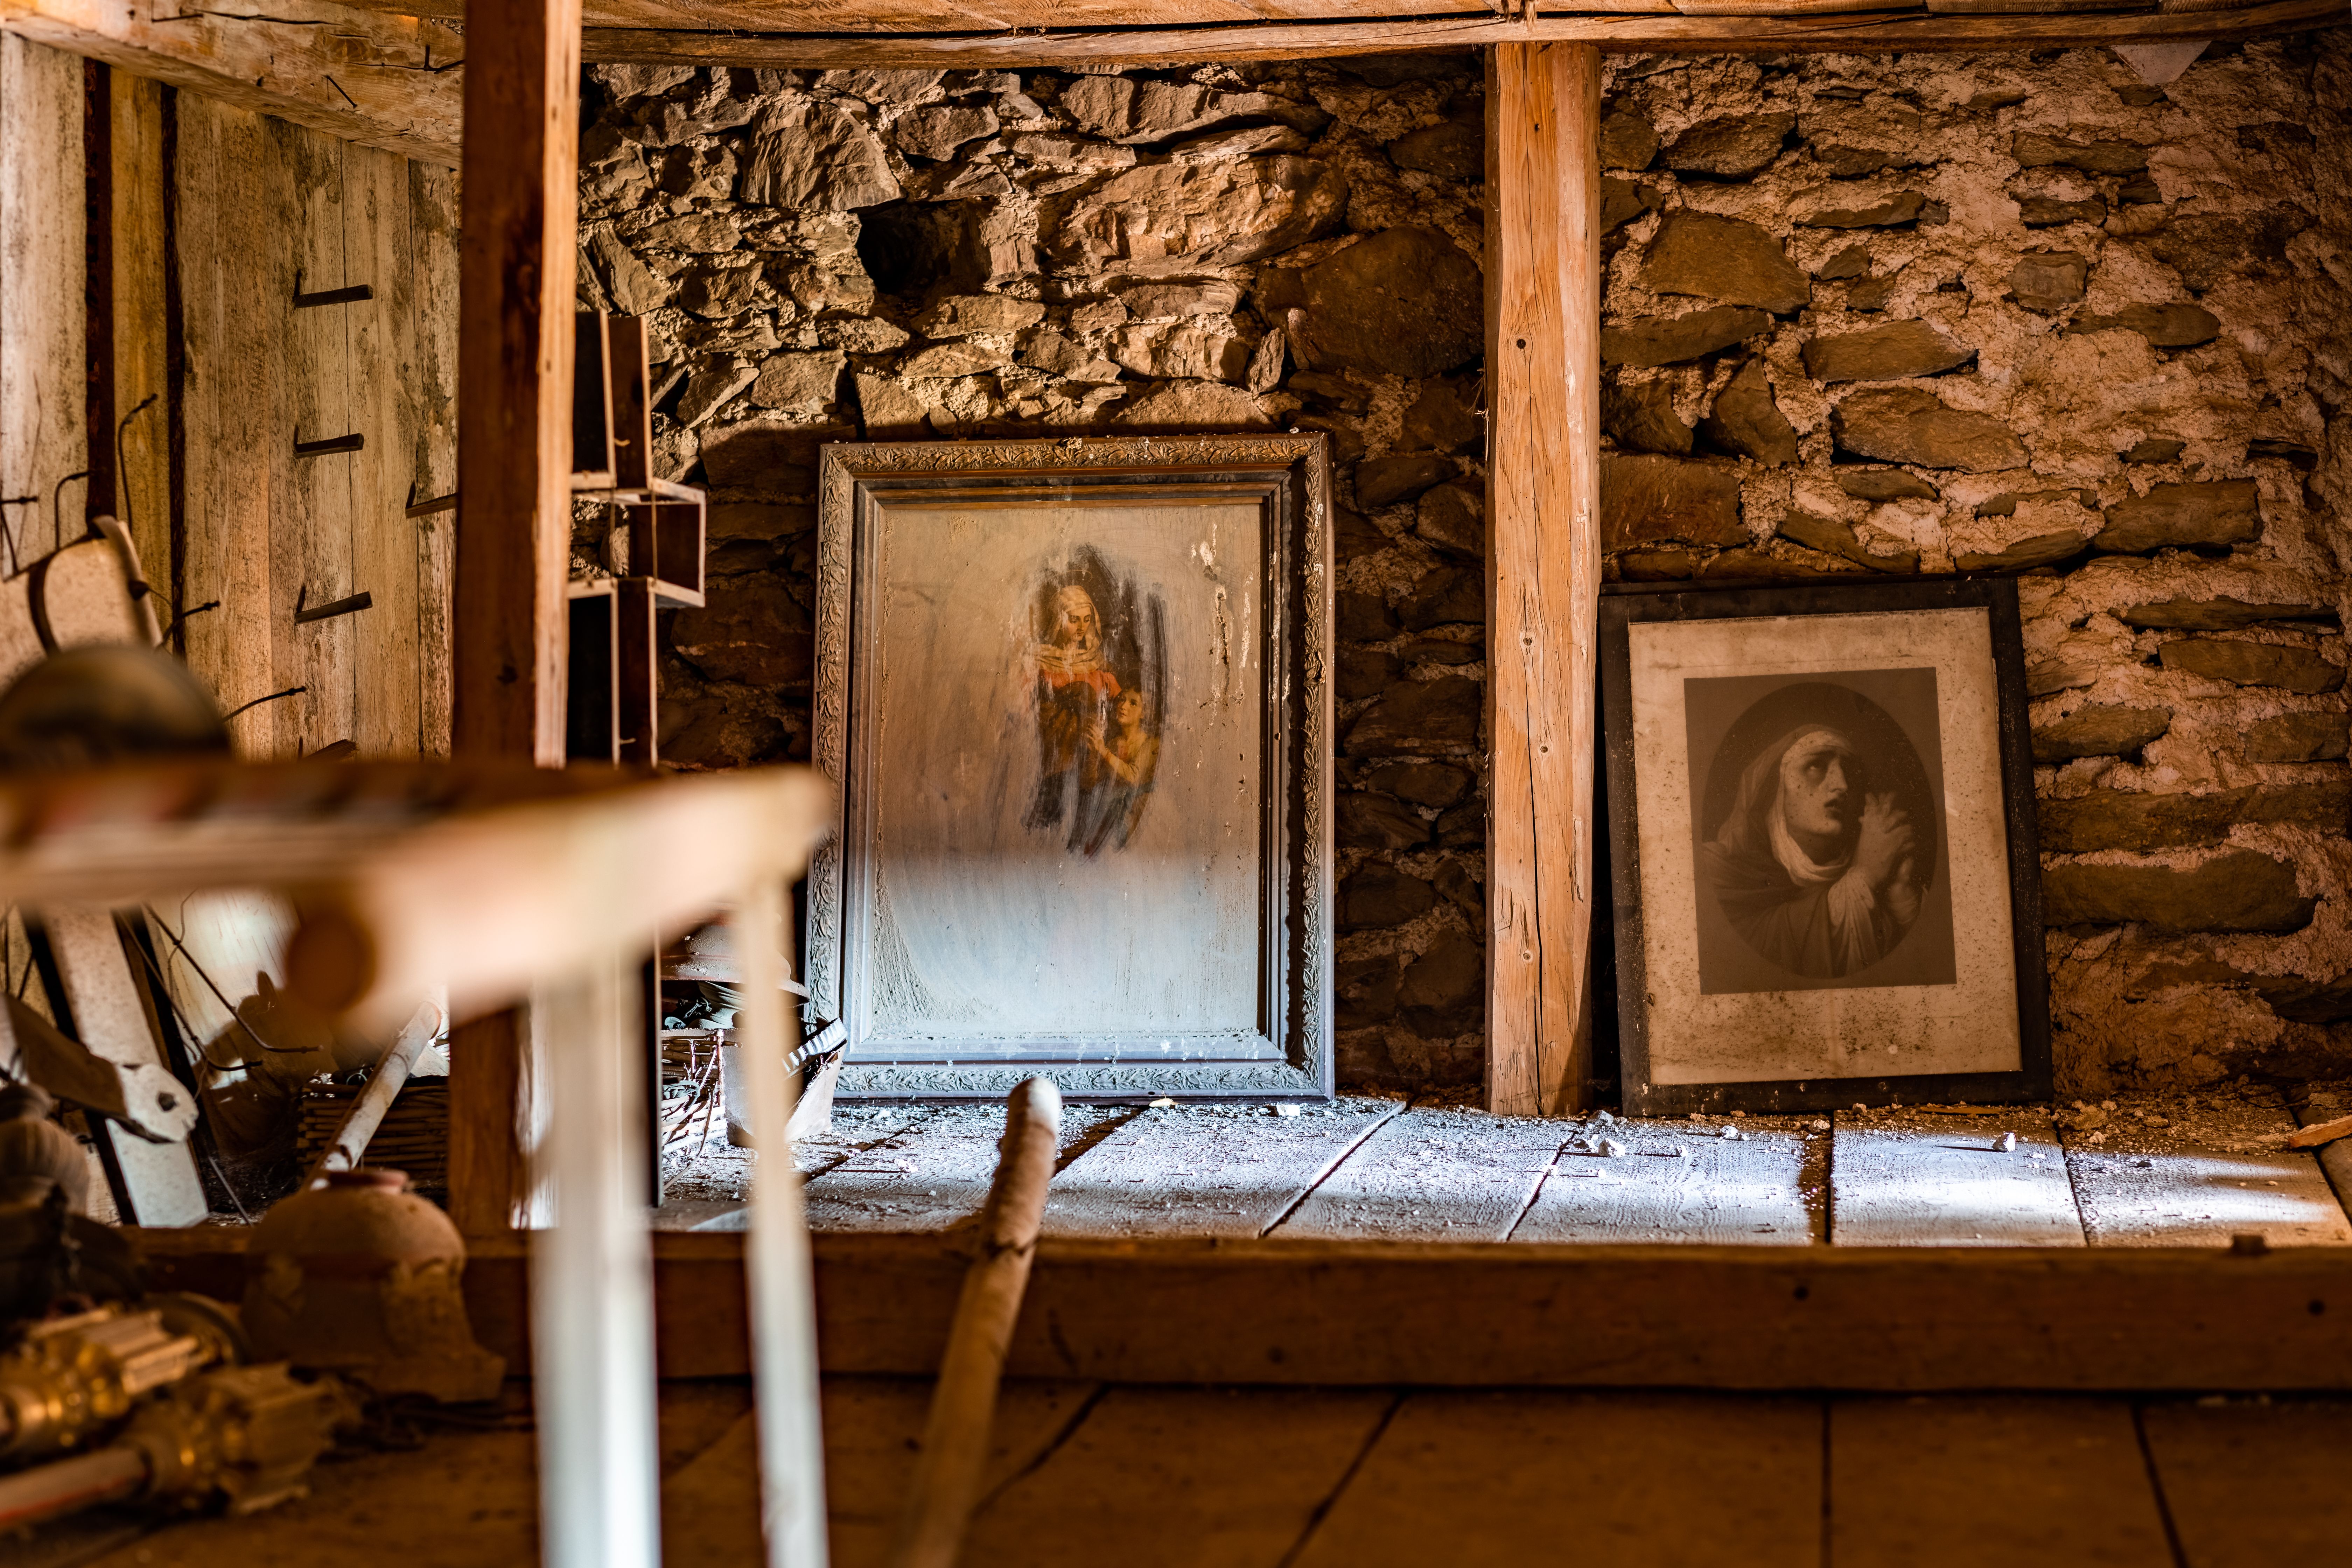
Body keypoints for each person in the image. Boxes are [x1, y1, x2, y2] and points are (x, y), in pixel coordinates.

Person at [1700, 725, 1921, 979]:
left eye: (1848, 771)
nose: (1842, 785)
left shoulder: (1878, 864)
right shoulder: (1716, 870)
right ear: (1777, 786)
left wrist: (1901, 896)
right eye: (1816, 766)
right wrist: (1864, 877)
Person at [1025, 583, 1121, 833]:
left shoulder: (1095, 662)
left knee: (1086, 812)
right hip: (1054, 752)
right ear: (1059, 620)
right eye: (1074, 620)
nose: (1081, 627)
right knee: (1051, 810)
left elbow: (1117, 701)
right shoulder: (1042, 660)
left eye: (1087, 620)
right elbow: (1028, 706)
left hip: (1089, 752)